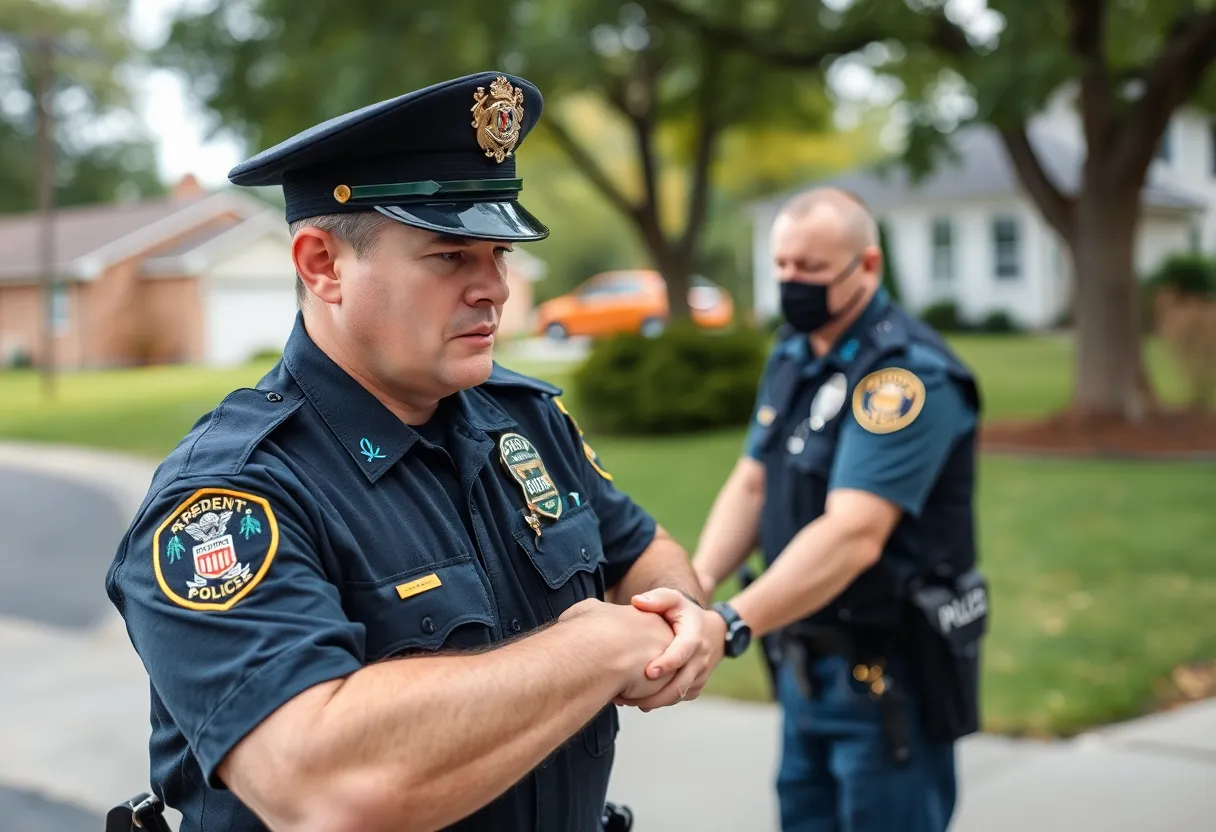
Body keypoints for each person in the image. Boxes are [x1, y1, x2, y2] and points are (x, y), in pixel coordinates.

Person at [104, 71, 731, 832]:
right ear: (321, 265)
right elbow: (319, 786)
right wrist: (594, 650)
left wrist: (684, 613)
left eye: (499, 254)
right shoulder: (231, 497)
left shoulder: (520, 419)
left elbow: (642, 548)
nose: (494, 288)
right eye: (450, 256)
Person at [691, 188, 989, 832]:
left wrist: (731, 623)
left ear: (869, 266)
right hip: (804, 668)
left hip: (885, 679)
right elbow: (752, 484)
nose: (792, 284)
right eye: (783, 267)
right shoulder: (794, 353)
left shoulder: (906, 377)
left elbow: (854, 533)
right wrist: (696, 587)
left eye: (812, 270)